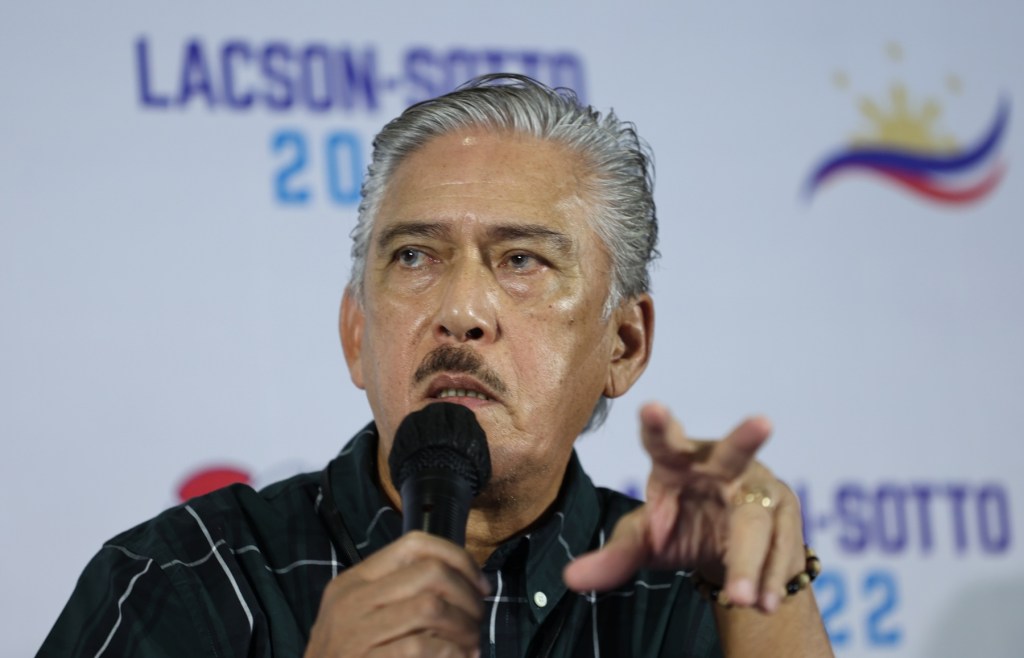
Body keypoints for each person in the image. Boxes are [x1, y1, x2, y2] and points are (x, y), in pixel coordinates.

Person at [40, 74, 832, 657]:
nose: (461, 310)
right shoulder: (183, 579)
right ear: (357, 333)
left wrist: (769, 595)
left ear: (623, 345)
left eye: (521, 260)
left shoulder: (684, 598)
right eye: (415, 256)